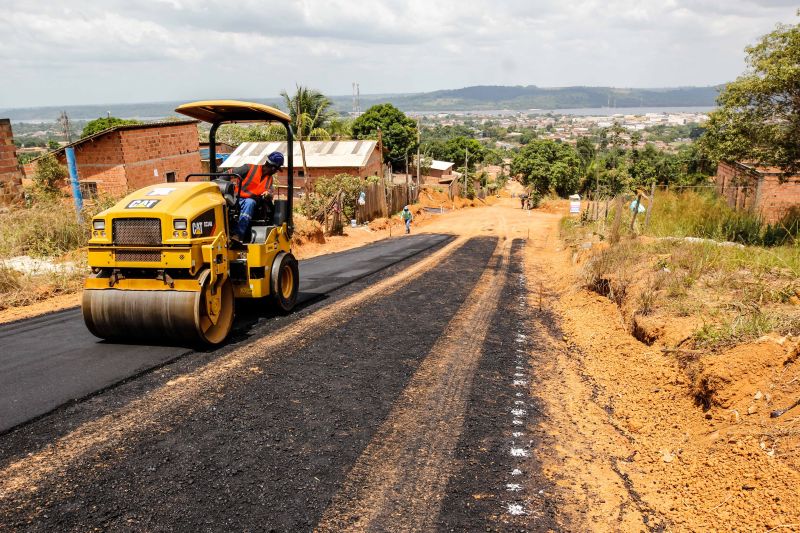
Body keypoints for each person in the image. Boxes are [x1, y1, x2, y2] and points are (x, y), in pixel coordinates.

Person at [226, 151, 284, 241]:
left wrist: (268, 195)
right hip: (236, 199)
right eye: (277, 170)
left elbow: (269, 191)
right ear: (273, 168)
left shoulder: (270, 180)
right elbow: (228, 173)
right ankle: (236, 233)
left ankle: (238, 235)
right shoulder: (249, 168)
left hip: (254, 203)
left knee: (250, 202)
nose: (276, 172)